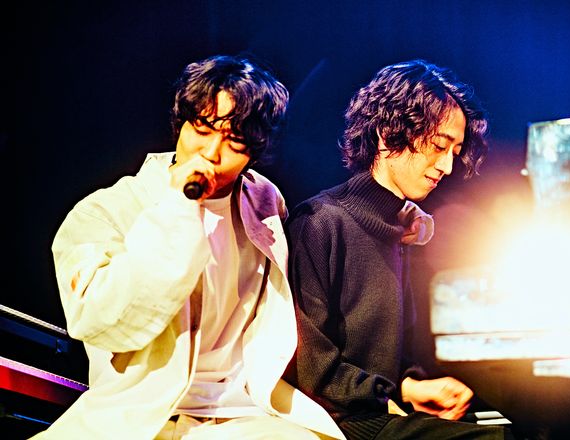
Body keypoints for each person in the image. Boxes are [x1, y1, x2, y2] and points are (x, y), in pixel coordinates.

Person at [32, 54, 345, 440]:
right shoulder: (106, 211)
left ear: (255, 151)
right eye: (202, 128)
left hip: (242, 411)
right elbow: (98, 321)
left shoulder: (265, 203)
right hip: (143, 413)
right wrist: (177, 208)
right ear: (181, 122)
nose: (211, 152)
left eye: (234, 141)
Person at [284, 60, 510, 439]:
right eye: (439, 146)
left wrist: (411, 387)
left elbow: (382, 356)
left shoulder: (399, 229)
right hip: (340, 423)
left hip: (378, 413)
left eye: (454, 151)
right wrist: (385, 397)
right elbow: (310, 367)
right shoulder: (319, 222)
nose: (448, 166)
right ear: (388, 134)